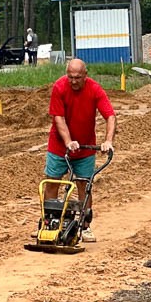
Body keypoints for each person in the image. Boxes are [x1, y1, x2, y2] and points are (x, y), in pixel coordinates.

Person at [45, 57, 117, 241]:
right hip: (59, 146)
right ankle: (49, 221)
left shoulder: (94, 89)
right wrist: (68, 141)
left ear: (85, 75)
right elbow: (58, 118)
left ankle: (85, 226)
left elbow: (110, 116)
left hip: (85, 147)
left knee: (84, 185)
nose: (73, 81)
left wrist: (108, 141)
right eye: (70, 77)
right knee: (52, 182)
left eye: (77, 77)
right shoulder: (59, 87)